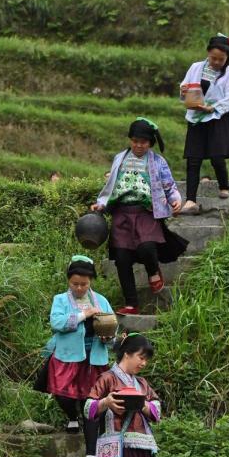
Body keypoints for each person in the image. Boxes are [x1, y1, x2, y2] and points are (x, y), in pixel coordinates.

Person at [90, 118, 186, 316]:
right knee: (123, 258)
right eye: (135, 141)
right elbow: (112, 186)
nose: (138, 145)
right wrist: (101, 203)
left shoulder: (158, 161)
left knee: (147, 246)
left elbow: (169, 185)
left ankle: (153, 272)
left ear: (150, 143)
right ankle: (131, 304)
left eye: (143, 142)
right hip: (121, 213)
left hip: (146, 213)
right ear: (130, 140)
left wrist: (175, 200)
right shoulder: (120, 158)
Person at [43, 255, 114, 457]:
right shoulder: (61, 300)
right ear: (68, 282)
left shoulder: (101, 300)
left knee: (91, 401)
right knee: (62, 393)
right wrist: (84, 314)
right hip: (68, 356)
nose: (80, 288)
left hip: (94, 357)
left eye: (84, 284)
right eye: (75, 284)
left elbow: (112, 326)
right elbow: (57, 322)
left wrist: (107, 337)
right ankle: (71, 416)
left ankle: (91, 454)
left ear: (90, 281)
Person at [179, 33, 229, 214]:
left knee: (217, 156)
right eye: (213, 58)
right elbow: (185, 88)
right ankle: (190, 200)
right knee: (193, 159)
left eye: (221, 59)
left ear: (227, 58)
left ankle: (224, 185)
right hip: (196, 117)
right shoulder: (196, 67)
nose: (216, 62)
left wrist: (213, 108)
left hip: (218, 117)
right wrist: (183, 91)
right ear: (208, 53)